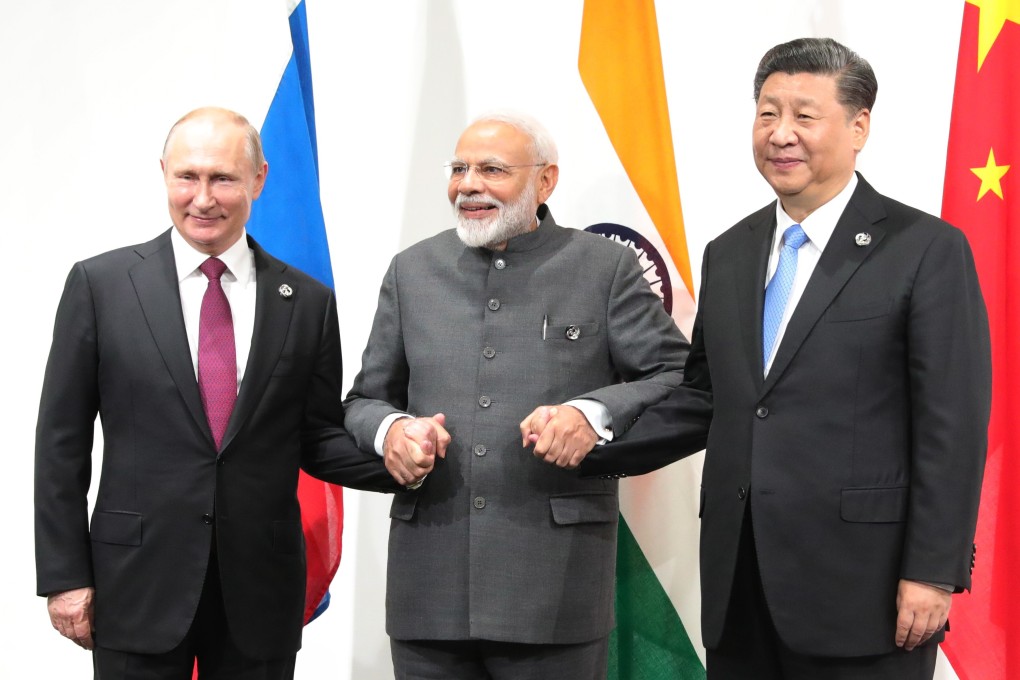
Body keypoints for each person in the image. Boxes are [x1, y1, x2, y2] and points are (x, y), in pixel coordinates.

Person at [581, 37, 991, 679]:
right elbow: (705, 398)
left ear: (859, 128)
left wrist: (933, 570)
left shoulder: (925, 248)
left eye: (804, 115)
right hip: (738, 588)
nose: (780, 134)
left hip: (867, 591)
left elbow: (952, 425)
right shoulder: (731, 251)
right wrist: (590, 436)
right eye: (767, 113)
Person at [34, 107, 401, 680]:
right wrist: (63, 576)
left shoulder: (306, 302)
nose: (202, 198)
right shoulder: (99, 286)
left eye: (223, 178)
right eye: (187, 177)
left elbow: (315, 438)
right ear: (164, 174)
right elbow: (61, 444)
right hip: (134, 584)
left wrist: (407, 461)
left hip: (259, 593)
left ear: (258, 180)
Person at [342, 111, 691, 678]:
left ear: (545, 181)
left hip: (555, 588)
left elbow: (677, 376)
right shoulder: (412, 272)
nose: (469, 184)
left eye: (492, 169)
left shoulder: (605, 268)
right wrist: (392, 430)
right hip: (429, 588)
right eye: (459, 169)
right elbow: (362, 401)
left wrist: (593, 413)